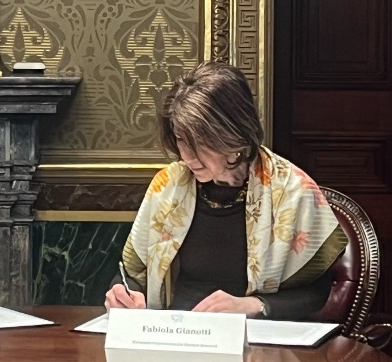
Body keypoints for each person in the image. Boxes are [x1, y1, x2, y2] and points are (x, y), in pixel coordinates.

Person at [104, 61, 347, 320]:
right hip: (173, 335)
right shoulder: (167, 187)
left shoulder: (293, 190)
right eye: (181, 140)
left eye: (201, 142)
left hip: (255, 342)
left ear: (235, 135)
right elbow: (131, 275)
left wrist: (252, 305)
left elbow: (316, 293)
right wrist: (121, 293)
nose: (188, 156)